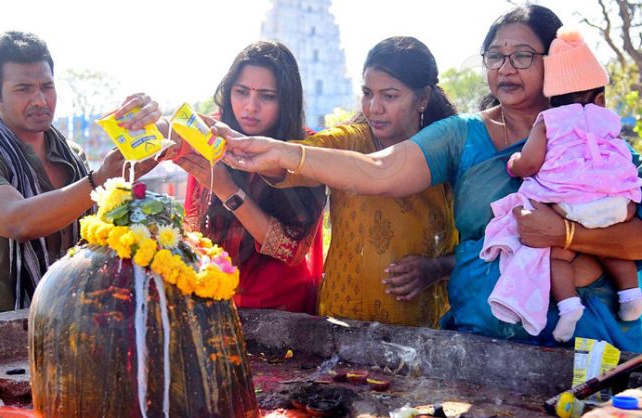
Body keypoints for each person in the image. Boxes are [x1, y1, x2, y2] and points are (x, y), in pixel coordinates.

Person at [219, 5, 642, 351]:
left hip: (590, 338)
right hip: (484, 340)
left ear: (554, 63)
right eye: (495, 55)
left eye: (523, 56)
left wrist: (564, 234)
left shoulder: (592, 136)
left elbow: (634, 233)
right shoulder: (462, 135)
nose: (506, 67)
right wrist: (284, 152)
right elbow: (380, 169)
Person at [0, 31, 159, 315]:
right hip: (3, 334)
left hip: (76, 319)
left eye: (46, 86)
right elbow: (17, 221)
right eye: (23, 89)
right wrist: (99, 181)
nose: (40, 100)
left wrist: (149, 129)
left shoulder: (73, 156)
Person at [262, 36, 458, 326]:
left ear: (424, 98)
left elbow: (483, 249)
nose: (373, 108)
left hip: (420, 332)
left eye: (389, 96)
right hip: (342, 322)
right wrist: (253, 151)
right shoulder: (349, 142)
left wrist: (435, 268)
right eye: (367, 93)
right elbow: (292, 161)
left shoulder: (448, 152)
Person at [481, 27, 642, 342]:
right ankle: (631, 295)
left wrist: (514, 164)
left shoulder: (549, 120)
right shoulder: (609, 119)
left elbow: (529, 163)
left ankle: (568, 306)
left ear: (551, 100)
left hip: (569, 205)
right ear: (600, 98)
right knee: (611, 249)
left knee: (557, 257)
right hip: (618, 203)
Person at [167, 41, 326, 314]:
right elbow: (169, 134)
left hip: (281, 310)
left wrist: (228, 189)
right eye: (241, 92)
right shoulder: (214, 134)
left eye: (266, 96)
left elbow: (292, 250)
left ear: (286, 100)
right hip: (210, 298)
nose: (250, 107)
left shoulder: (305, 150)